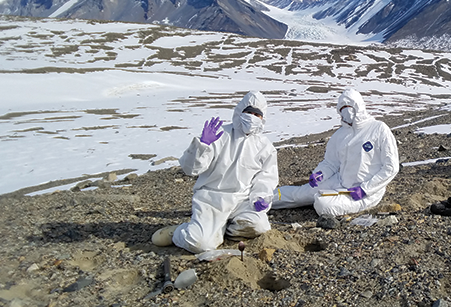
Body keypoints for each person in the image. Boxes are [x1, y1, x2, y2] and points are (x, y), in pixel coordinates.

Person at [151, 91, 278, 253]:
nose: (252, 117)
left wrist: (261, 196)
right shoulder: (219, 136)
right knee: (201, 245)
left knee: (259, 226)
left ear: (262, 118)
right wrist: (202, 146)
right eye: (249, 112)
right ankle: (179, 232)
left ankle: (222, 229)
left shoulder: (264, 146)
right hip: (211, 199)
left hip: (242, 200)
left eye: (257, 114)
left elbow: (266, 178)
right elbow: (191, 169)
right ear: (240, 112)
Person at [271, 88, 399, 216]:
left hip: (365, 193)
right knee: (302, 193)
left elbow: (391, 167)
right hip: (340, 182)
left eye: (349, 106)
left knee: (323, 205)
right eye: (342, 108)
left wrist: (365, 189)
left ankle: (323, 200)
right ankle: (261, 199)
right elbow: (331, 163)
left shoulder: (378, 129)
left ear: (358, 106)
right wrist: (320, 174)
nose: (346, 111)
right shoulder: (340, 135)